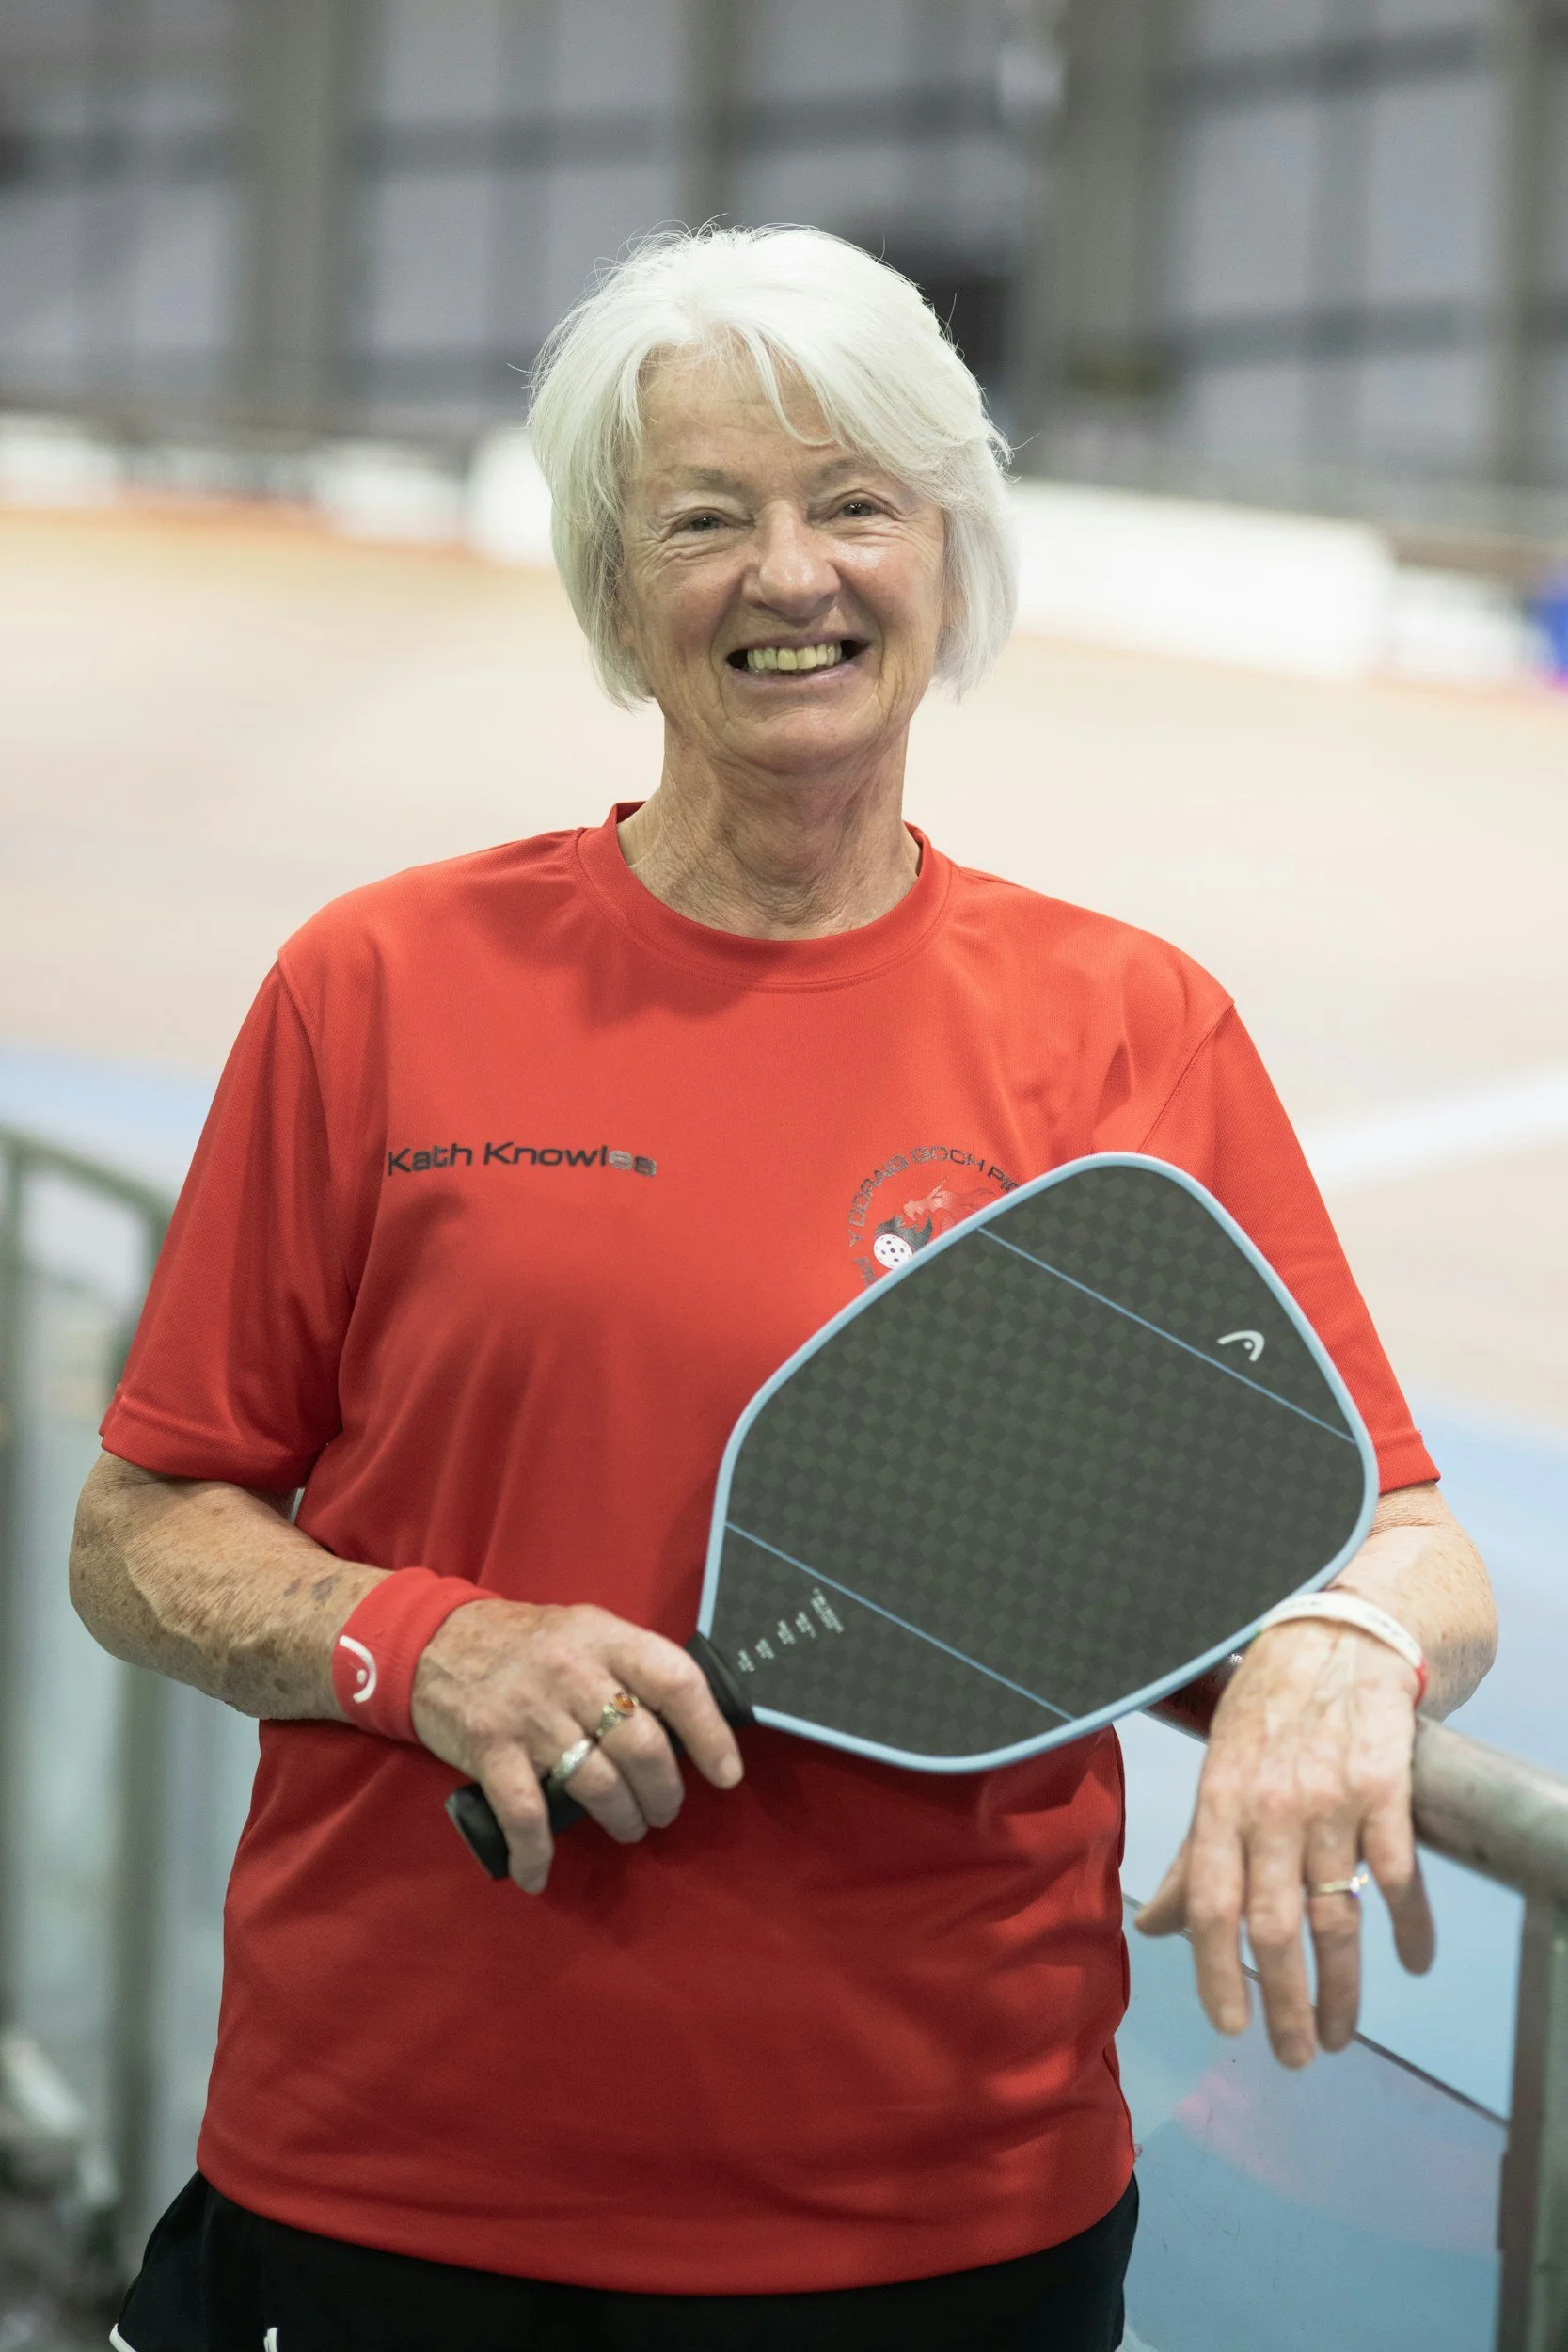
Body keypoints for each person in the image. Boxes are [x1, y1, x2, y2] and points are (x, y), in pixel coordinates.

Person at [72, 227, 1497, 2352]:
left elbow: (1396, 1530)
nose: (790, 574)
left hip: (949, 2218)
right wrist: (415, 1645)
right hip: (396, 2183)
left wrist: (1344, 1640)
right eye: (706, 518)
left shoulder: (1125, 1026)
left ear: (946, 551)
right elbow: (136, 1532)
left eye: (853, 504)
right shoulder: (374, 983)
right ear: (610, 579)